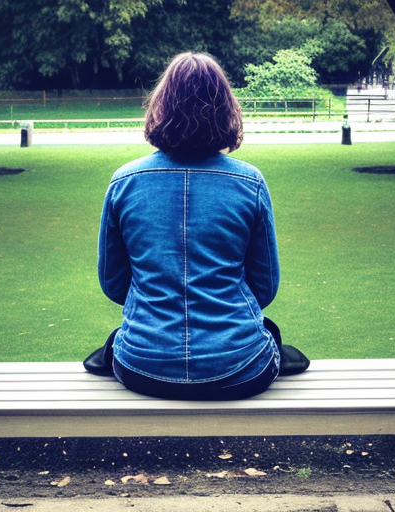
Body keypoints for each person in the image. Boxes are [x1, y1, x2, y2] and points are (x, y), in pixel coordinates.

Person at [84, 52, 309, 399]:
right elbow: (264, 288)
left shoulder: (125, 180)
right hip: (239, 367)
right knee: (267, 335)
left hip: (140, 366)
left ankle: (122, 343)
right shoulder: (250, 182)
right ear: (225, 109)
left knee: (128, 338)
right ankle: (267, 345)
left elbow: (114, 284)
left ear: (161, 107)